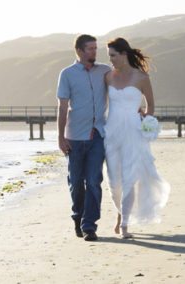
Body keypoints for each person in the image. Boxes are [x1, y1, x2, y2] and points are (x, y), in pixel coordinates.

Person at [104, 37, 170, 239]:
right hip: (111, 133)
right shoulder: (107, 77)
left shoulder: (141, 77)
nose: (111, 60)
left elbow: (150, 105)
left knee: (129, 178)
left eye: (113, 55)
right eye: (109, 56)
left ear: (124, 54)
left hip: (133, 133)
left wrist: (147, 122)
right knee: (114, 181)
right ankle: (120, 213)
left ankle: (124, 226)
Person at [57, 34, 111, 241]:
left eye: (96, 48)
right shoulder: (67, 74)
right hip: (75, 137)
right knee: (76, 182)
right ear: (79, 51)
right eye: (90, 49)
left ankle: (90, 226)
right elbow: (62, 107)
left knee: (94, 180)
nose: (95, 52)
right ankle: (77, 216)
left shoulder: (104, 71)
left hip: (98, 134)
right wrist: (60, 137)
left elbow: (122, 86)